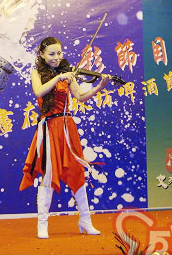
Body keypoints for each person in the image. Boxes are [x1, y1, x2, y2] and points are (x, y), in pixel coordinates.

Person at [19, 36, 111, 239]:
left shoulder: (67, 73)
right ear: (42, 54)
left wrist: (100, 86)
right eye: (51, 54)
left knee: (77, 171)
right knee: (48, 174)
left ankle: (85, 220)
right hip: (49, 128)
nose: (57, 57)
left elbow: (80, 97)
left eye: (59, 53)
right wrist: (59, 77)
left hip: (68, 128)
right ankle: (42, 223)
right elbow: (39, 91)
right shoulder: (38, 73)